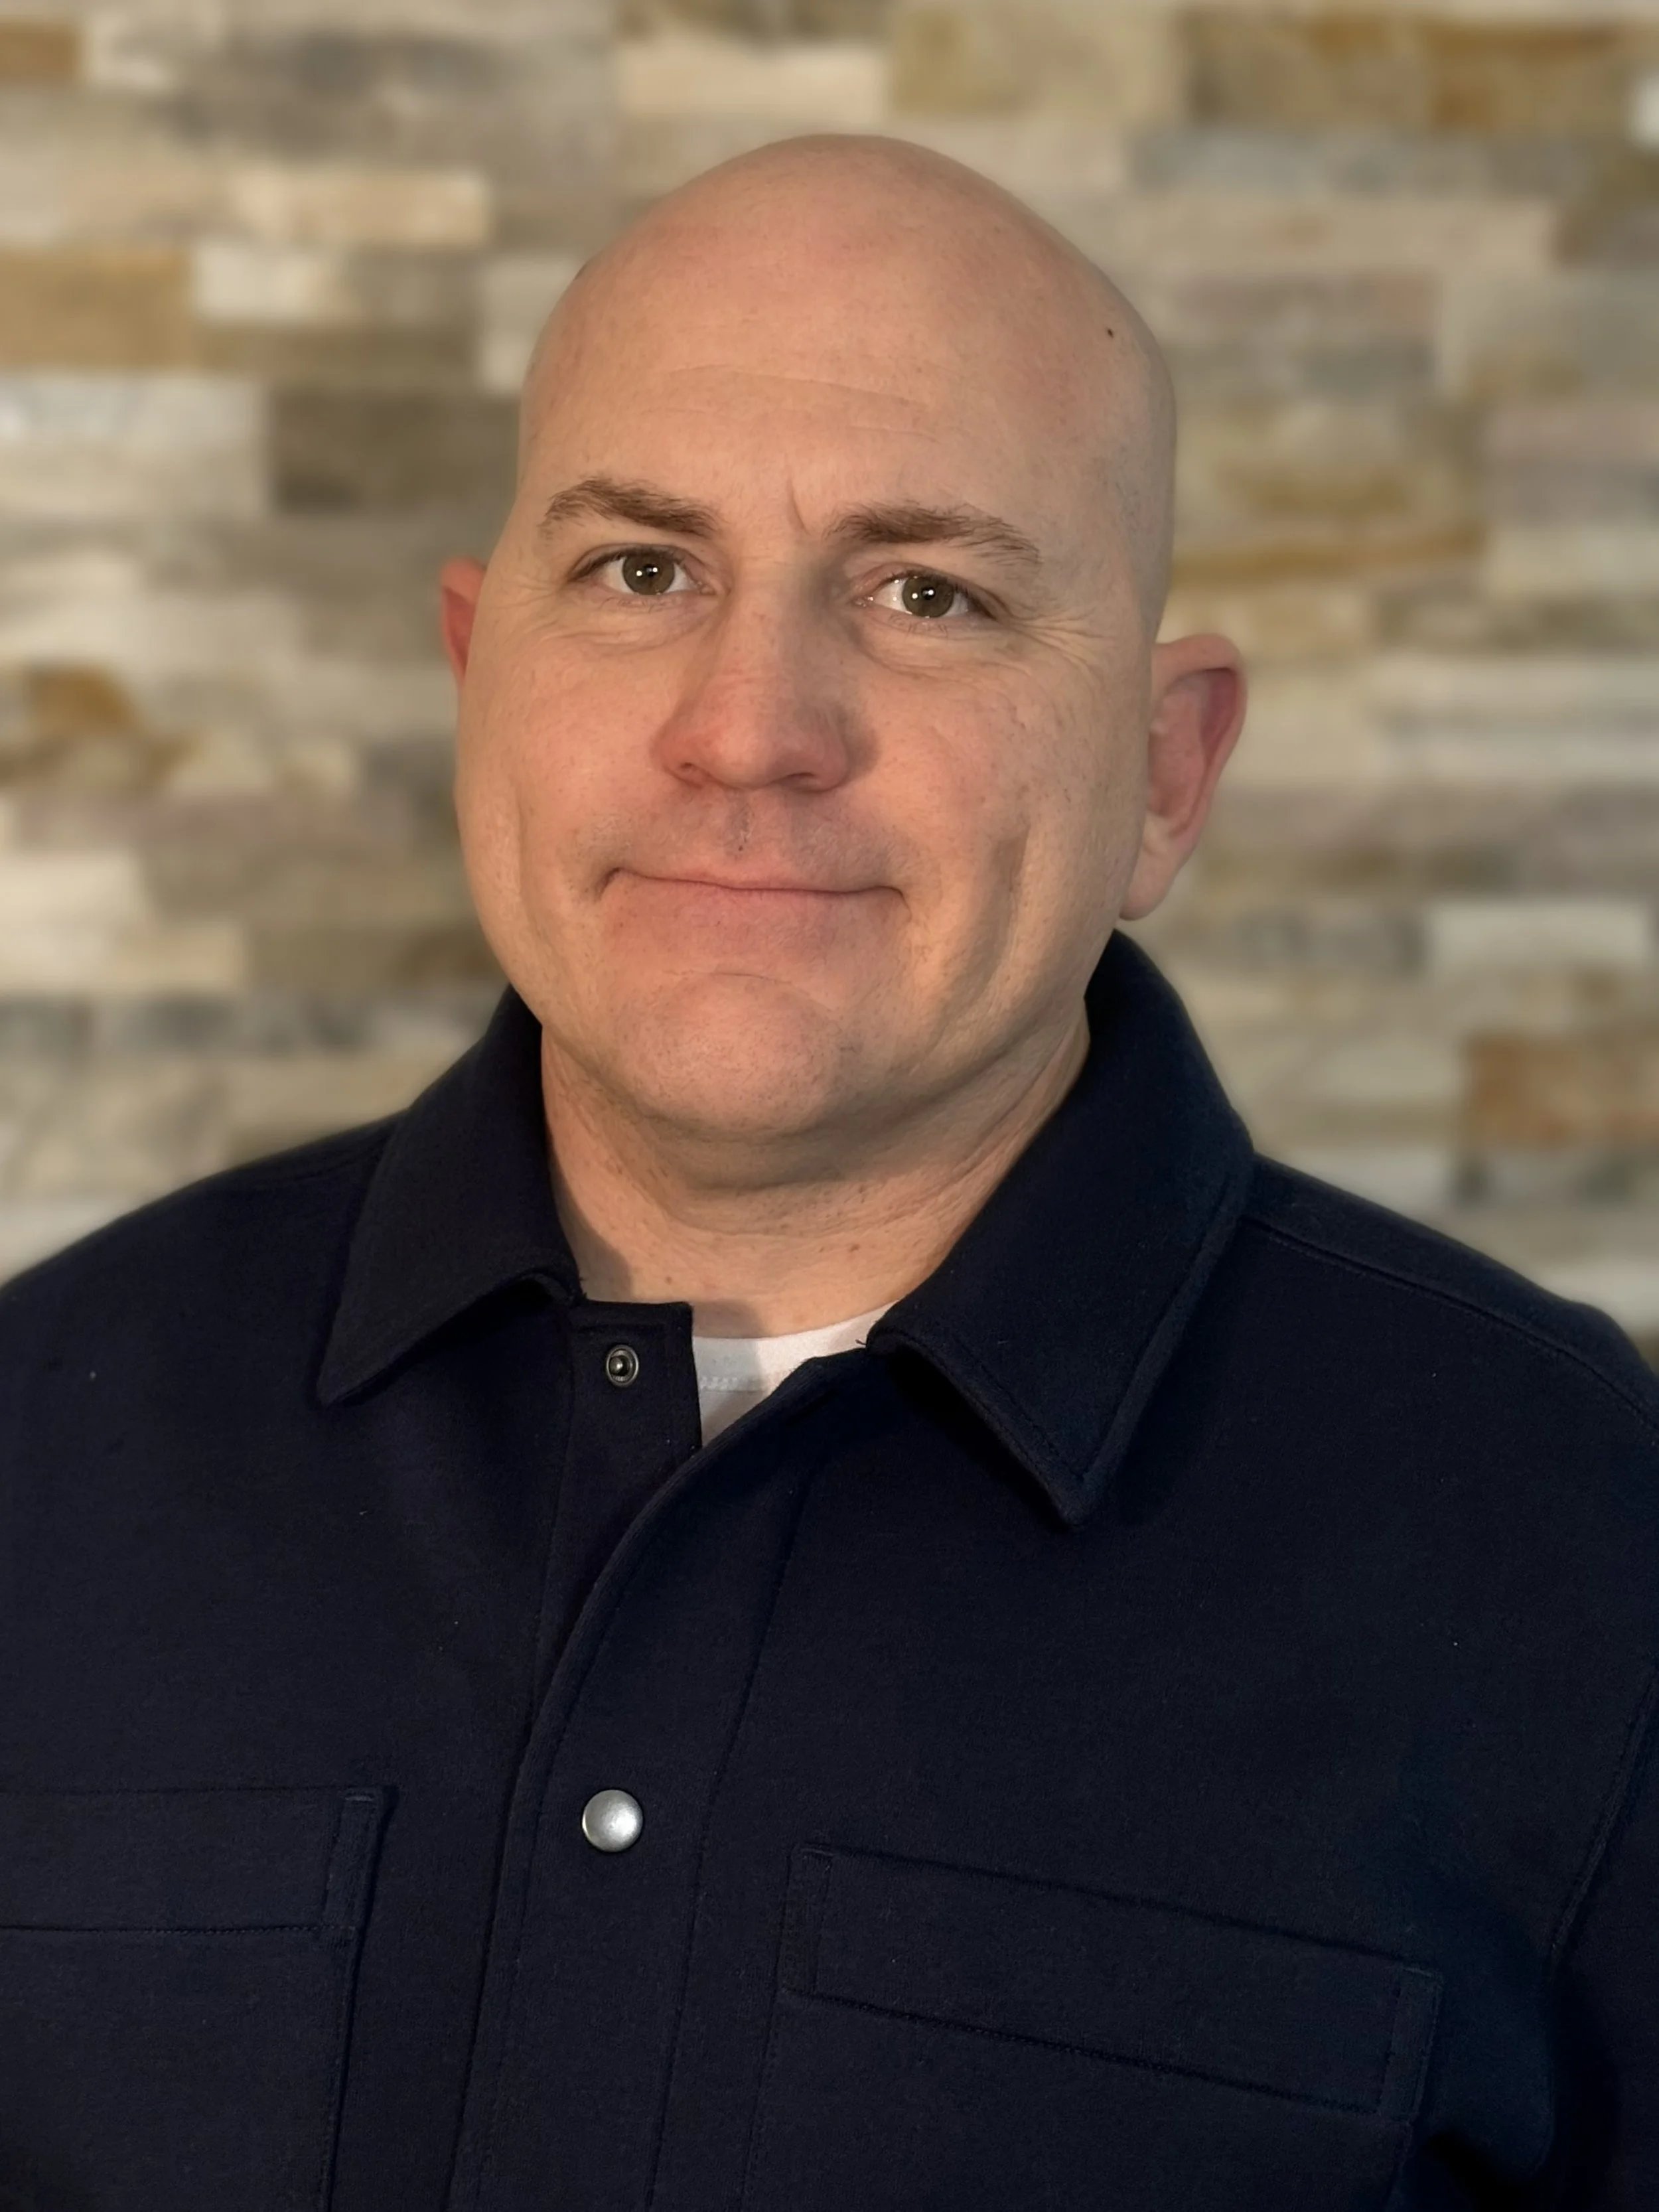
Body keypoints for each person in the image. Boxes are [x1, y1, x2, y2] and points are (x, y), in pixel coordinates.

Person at [0, 131, 1654, 2212]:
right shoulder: (40, 1443)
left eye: (925, 592)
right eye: (640, 570)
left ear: (1164, 771)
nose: (747, 725)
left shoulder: (1583, 1546)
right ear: (476, 671)